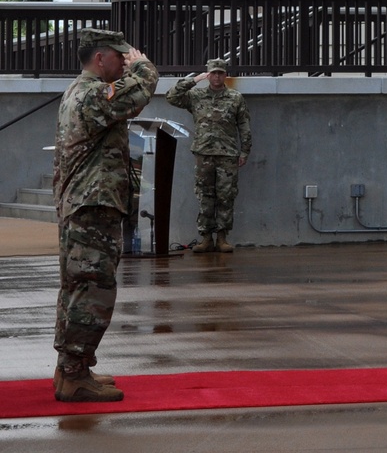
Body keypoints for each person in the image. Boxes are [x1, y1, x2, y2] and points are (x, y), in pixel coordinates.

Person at [53, 28, 158, 402]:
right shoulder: (94, 95)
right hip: (92, 206)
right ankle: (74, 375)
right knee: (93, 290)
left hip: (82, 204)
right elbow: (140, 90)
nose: (123, 62)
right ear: (101, 58)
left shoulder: (75, 92)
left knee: (77, 288)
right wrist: (142, 64)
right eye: (119, 55)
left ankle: (71, 367)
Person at [166, 57, 252, 253]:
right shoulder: (196, 96)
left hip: (227, 154)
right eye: (213, 73)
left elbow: (244, 126)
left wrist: (245, 151)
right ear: (208, 75)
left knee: (226, 196)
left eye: (220, 73)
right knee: (205, 195)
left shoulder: (235, 98)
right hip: (204, 153)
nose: (217, 77)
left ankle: (222, 237)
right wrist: (194, 80)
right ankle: (206, 237)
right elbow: (171, 96)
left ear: (225, 75)